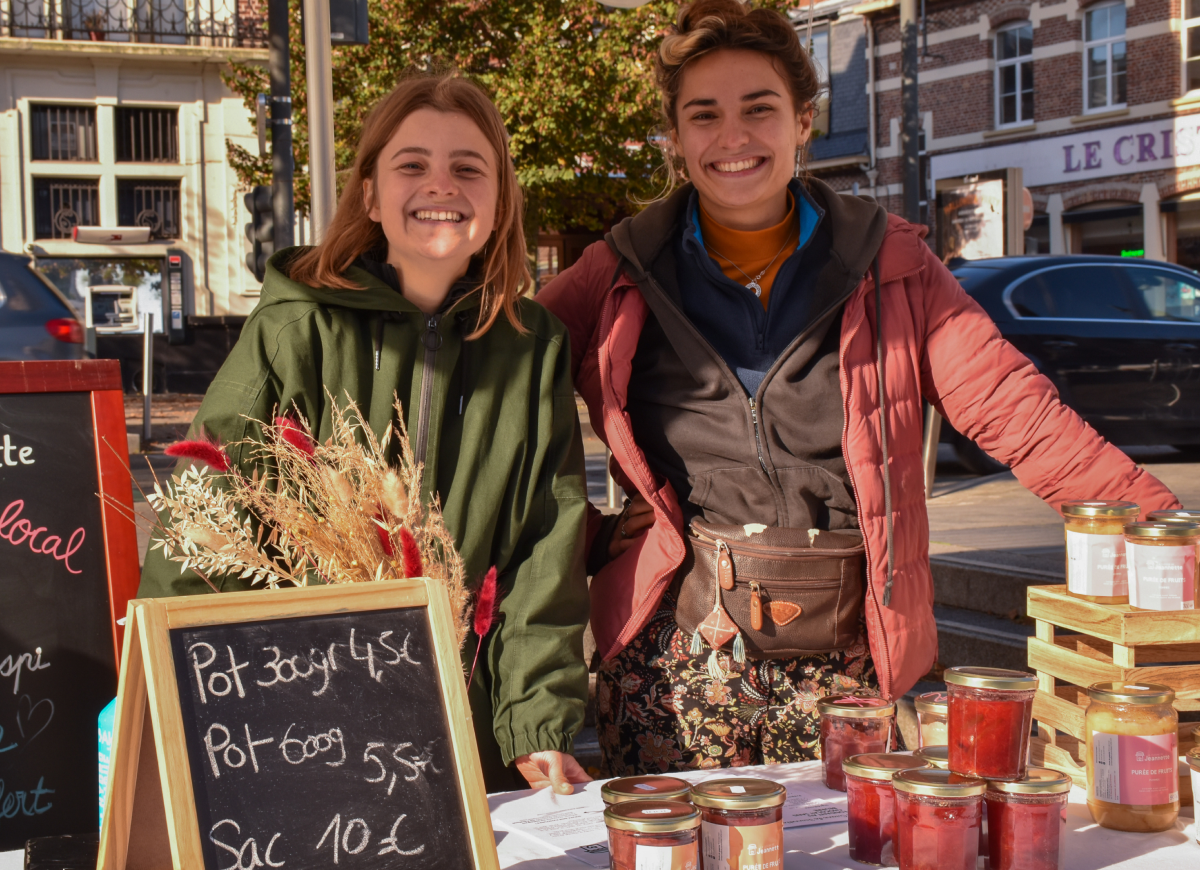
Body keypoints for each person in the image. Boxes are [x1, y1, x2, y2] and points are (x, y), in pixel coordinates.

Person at [537, 0, 1180, 775]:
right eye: (703, 115)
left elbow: (1023, 416)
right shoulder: (619, 269)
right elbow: (502, 393)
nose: (733, 138)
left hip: (846, 668)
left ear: (804, 120)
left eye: (760, 109)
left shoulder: (892, 267)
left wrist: (1167, 532)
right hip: (670, 668)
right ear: (674, 138)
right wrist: (591, 539)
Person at [139, 73, 592, 794]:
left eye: (468, 168)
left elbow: (545, 554)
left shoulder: (532, 347)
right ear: (372, 197)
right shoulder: (297, 331)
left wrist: (535, 723)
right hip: (297, 724)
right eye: (412, 165)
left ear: (500, 200)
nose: (440, 184)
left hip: (467, 727)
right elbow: (206, 524)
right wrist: (191, 715)